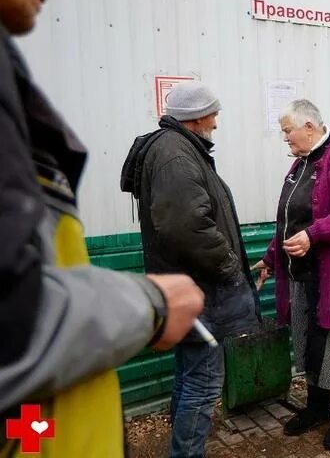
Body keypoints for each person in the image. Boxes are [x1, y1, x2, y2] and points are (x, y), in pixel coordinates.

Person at [0, 0, 203, 456]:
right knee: (201, 378)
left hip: (38, 423)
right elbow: (14, 320)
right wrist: (150, 304)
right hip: (41, 420)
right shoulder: (178, 155)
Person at [123, 82, 261, 457]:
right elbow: (186, 224)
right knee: (202, 383)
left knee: (189, 372)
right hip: (202, 292)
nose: (216, 122)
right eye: (213, 114)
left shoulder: (176, 148)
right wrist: (230, 267)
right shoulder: (175, 154)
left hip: (188, 289)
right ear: (197, 117)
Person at [252, 99, 330, 451]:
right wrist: (271, 259)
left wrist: (315, 235)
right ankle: (318, 407)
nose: (284, 138)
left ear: (309, 126)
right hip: (303, 273)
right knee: (308, 340)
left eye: (287, 131)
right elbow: (289, 222)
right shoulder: (299, 165)